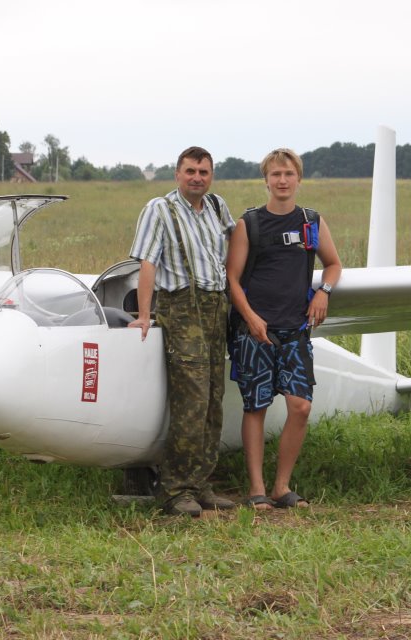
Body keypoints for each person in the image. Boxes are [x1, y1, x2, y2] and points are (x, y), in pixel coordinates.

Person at [226, 148, 342, 510]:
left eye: (288, 174)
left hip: (295, 331)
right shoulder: (249, 224)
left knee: (300, 406)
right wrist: (250, 317)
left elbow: (334, 264)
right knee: (256, 406)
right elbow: (232, 278)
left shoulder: (311, 221)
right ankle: (257, 489)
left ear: (299, 179)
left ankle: (281, 486)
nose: (282, 180)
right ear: (266, 180)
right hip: (256, 332)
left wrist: (323, 291)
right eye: (275, 174)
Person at [127, 146, 237, 517]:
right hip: (181, 308)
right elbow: (147, 263)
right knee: (192, 401)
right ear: (177, 174)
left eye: (203, 172)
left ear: (211, 176)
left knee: (213, 401)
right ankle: (175, 489)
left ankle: (201, 483)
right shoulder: (159, 209)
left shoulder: (218, 207)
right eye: (190, 171)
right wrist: (145, 314)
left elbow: (235, 244)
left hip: (216, 307)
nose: (197, 178)